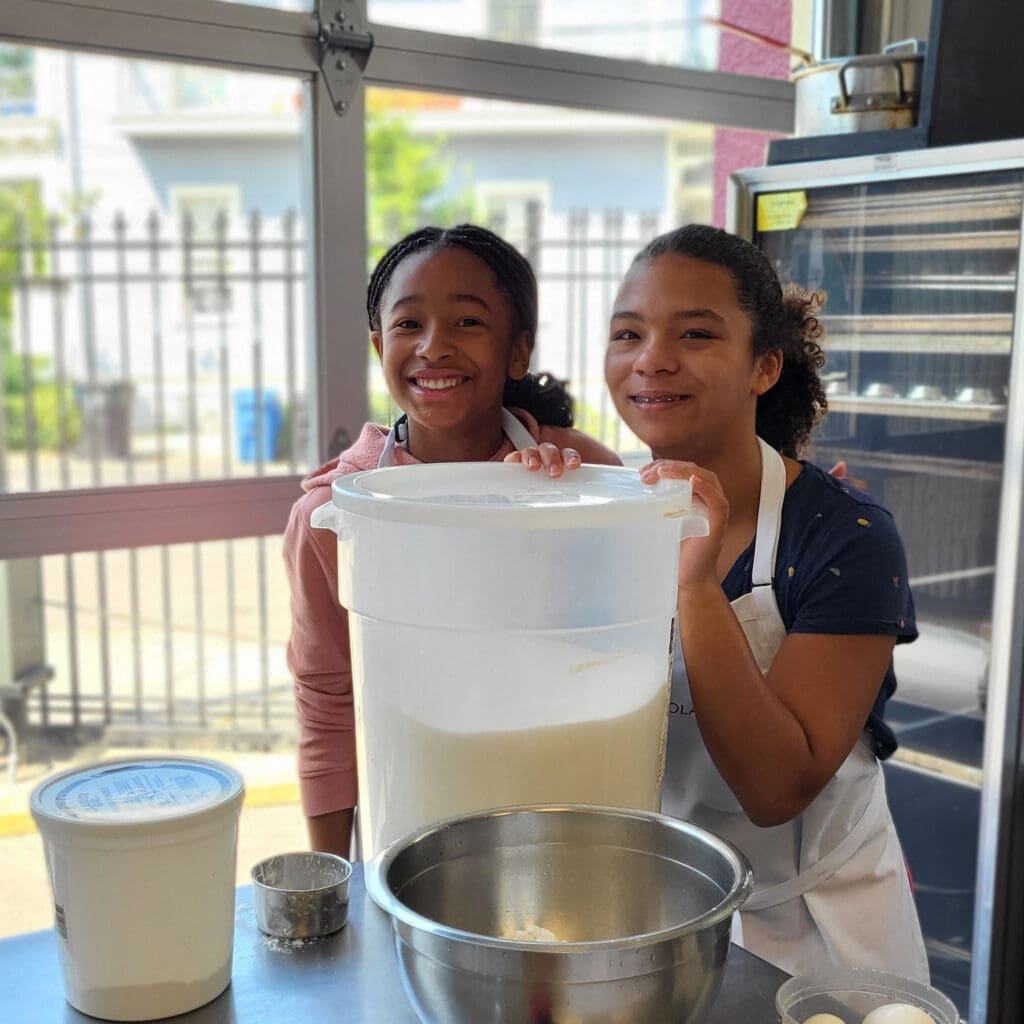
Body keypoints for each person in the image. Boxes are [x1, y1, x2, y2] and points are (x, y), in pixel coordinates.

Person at [509, 223, 928, 981]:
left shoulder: (846, 538)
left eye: (695, 334)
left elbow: (776, 789)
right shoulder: (603, 515)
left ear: (764, 365)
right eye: (627, 334)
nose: (651, 360)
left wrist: (695, 585)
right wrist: (525, 519)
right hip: (654, 908)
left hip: (818, 931)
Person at [283, 224, 620, 857]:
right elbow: (328, 703)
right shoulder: (333, 517)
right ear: (380, 344)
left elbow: (622, 641)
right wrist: (336, 878)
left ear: (517, 352)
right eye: (409, 325)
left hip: (566, 813)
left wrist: (560, 513)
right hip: (415, 826)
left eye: (468, 323)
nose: (433, 348)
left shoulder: (576, 474)